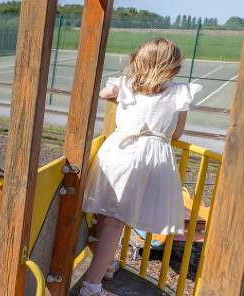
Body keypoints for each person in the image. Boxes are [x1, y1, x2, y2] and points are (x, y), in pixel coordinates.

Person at [80, 39, 201, 296]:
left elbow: (104, 94)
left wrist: (124, 103)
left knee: (107, 215)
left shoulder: (124, 85)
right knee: (116, 220)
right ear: (172, 66)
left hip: (118, 150)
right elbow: (176, 132)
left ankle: (106, 265)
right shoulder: (178, 93)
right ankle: (92, 285)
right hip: (150, 157)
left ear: (140, 59)